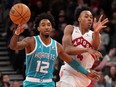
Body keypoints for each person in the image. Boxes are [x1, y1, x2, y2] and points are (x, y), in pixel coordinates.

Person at [9, 13, 101, 87]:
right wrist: (16, 34)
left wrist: (87, 73)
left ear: (51, 28)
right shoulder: (31, 41)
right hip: (31, 82)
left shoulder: (57, 46)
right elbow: (14, 46)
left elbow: (71, 61)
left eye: (49, 25)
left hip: (48, 83)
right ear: (38, 28)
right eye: (43, 25)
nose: (46, 27)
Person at [56, 5, 109, 87]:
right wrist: (86, 49)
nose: (89, 19)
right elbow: (67, 49)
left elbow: (95, 49)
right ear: (79, 19)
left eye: (91, 17)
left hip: (85, 74)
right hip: (69, 70)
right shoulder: (71, 29)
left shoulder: (94, 35)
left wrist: (96, 32)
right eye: (86, 16)